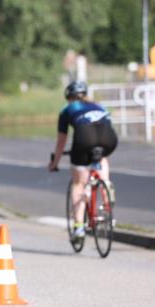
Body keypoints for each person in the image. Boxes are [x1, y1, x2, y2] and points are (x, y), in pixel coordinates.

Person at [48, 81, 118, 240]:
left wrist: (55, 162)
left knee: (78, 183)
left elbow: (61, 142)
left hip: (84, 139)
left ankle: (78, 227)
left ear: (69, 97)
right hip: (109, 139)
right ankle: (106, 187)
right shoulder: (99, 106)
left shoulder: (67, 110)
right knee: (102, 155)